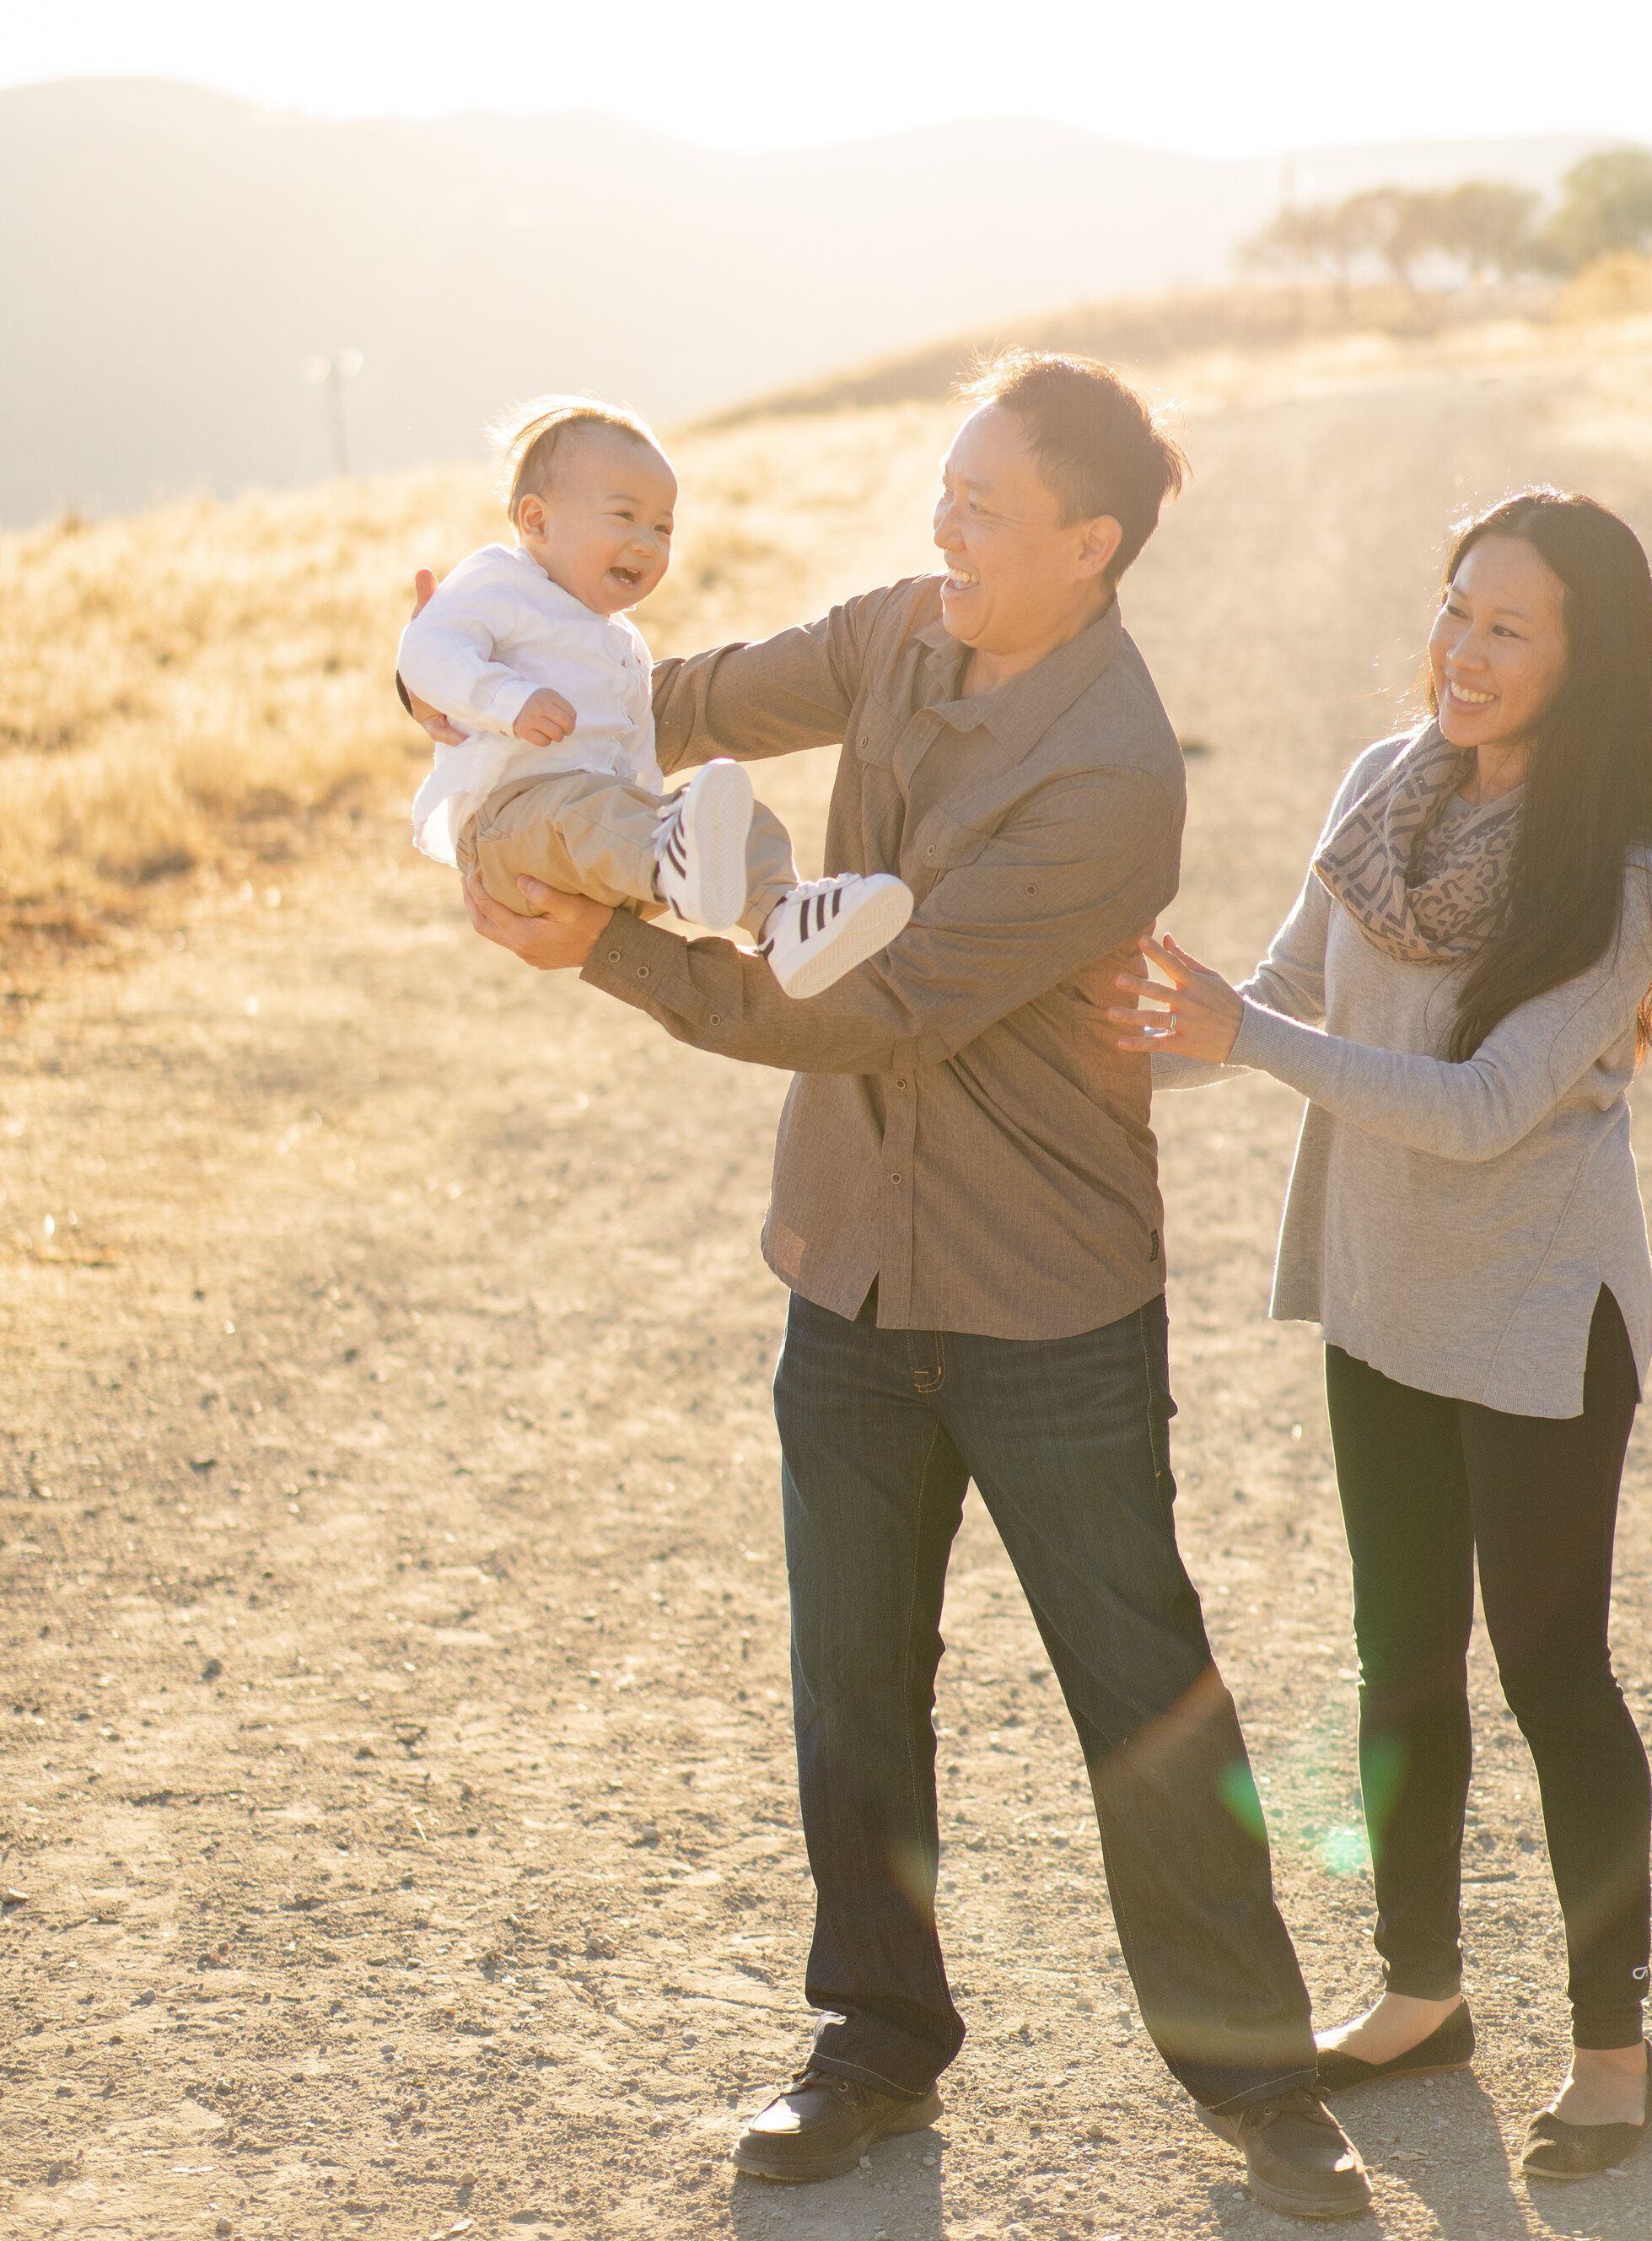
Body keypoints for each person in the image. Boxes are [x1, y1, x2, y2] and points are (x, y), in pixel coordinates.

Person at [433, 354, 1373, 2224]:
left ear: (1090, 546)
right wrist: (473, 657)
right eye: (941, 490)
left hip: (1047, 1302)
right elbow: (668, 693)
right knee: (851, 1686)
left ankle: (1261, 2087)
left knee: (1140, 1691)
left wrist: (594, 958)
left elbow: (869, 1004)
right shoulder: (890, 635)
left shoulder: (1112, 774)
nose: (940, 527)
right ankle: (870, 2044)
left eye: (982, 509)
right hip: (849, 1269)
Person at [1111, 488, 1652, 2183]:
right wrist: (1112, 1057)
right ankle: (1417, 1996)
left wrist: (1242, 1037)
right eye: (1453, 609)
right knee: (1398, 1664)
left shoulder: (1617, 869)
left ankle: (1612, 2054)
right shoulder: (1385, 784)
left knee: (1548, 1675)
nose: (1460, 647)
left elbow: (1481, 1109)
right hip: (1380, 1295)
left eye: (1506, 626)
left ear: (1585, 664)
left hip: (1531, 1321)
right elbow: (1283, 994)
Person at [398, 397, 909, 995]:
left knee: (728, 812)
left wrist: (659, 812)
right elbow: (425, 652)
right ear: (536, 521)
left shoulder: (622, 643)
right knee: (589, 810)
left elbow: (634, 753)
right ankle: (676, 856)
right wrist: (507, 701)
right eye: (624, 516)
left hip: (615, 852)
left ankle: (784, 916)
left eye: (663, 527)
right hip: (511, 831)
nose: (647, 542)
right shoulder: (501, 581)